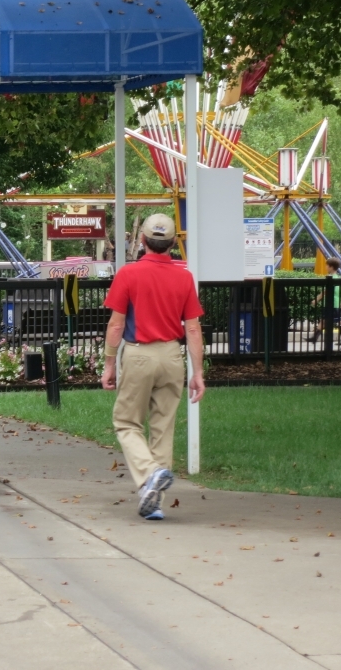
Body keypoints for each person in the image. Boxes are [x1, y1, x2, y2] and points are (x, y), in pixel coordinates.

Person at [101, 214, 205, 521]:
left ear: (142, 241)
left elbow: (116, 324)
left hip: (138, 354)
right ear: (173, 243)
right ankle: (153, 500)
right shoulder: (184, 277)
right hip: (173, 356)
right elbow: (194, 329)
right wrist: (198, 373)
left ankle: (149, 474)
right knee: (163, 427)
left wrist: (109, 364)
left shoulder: (128, 274)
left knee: (126, 422)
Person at [307, 257, 341, 344]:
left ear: (331, 267)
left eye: (326, 265)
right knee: (336, 320)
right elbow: (338, 292)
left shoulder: (331, 278)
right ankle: (314, 338)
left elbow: (325, 292)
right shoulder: (337, 277)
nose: (326, 267)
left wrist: (316, 300)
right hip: (335, 303)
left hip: (330, 304)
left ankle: (314, 338)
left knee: (326, 321)